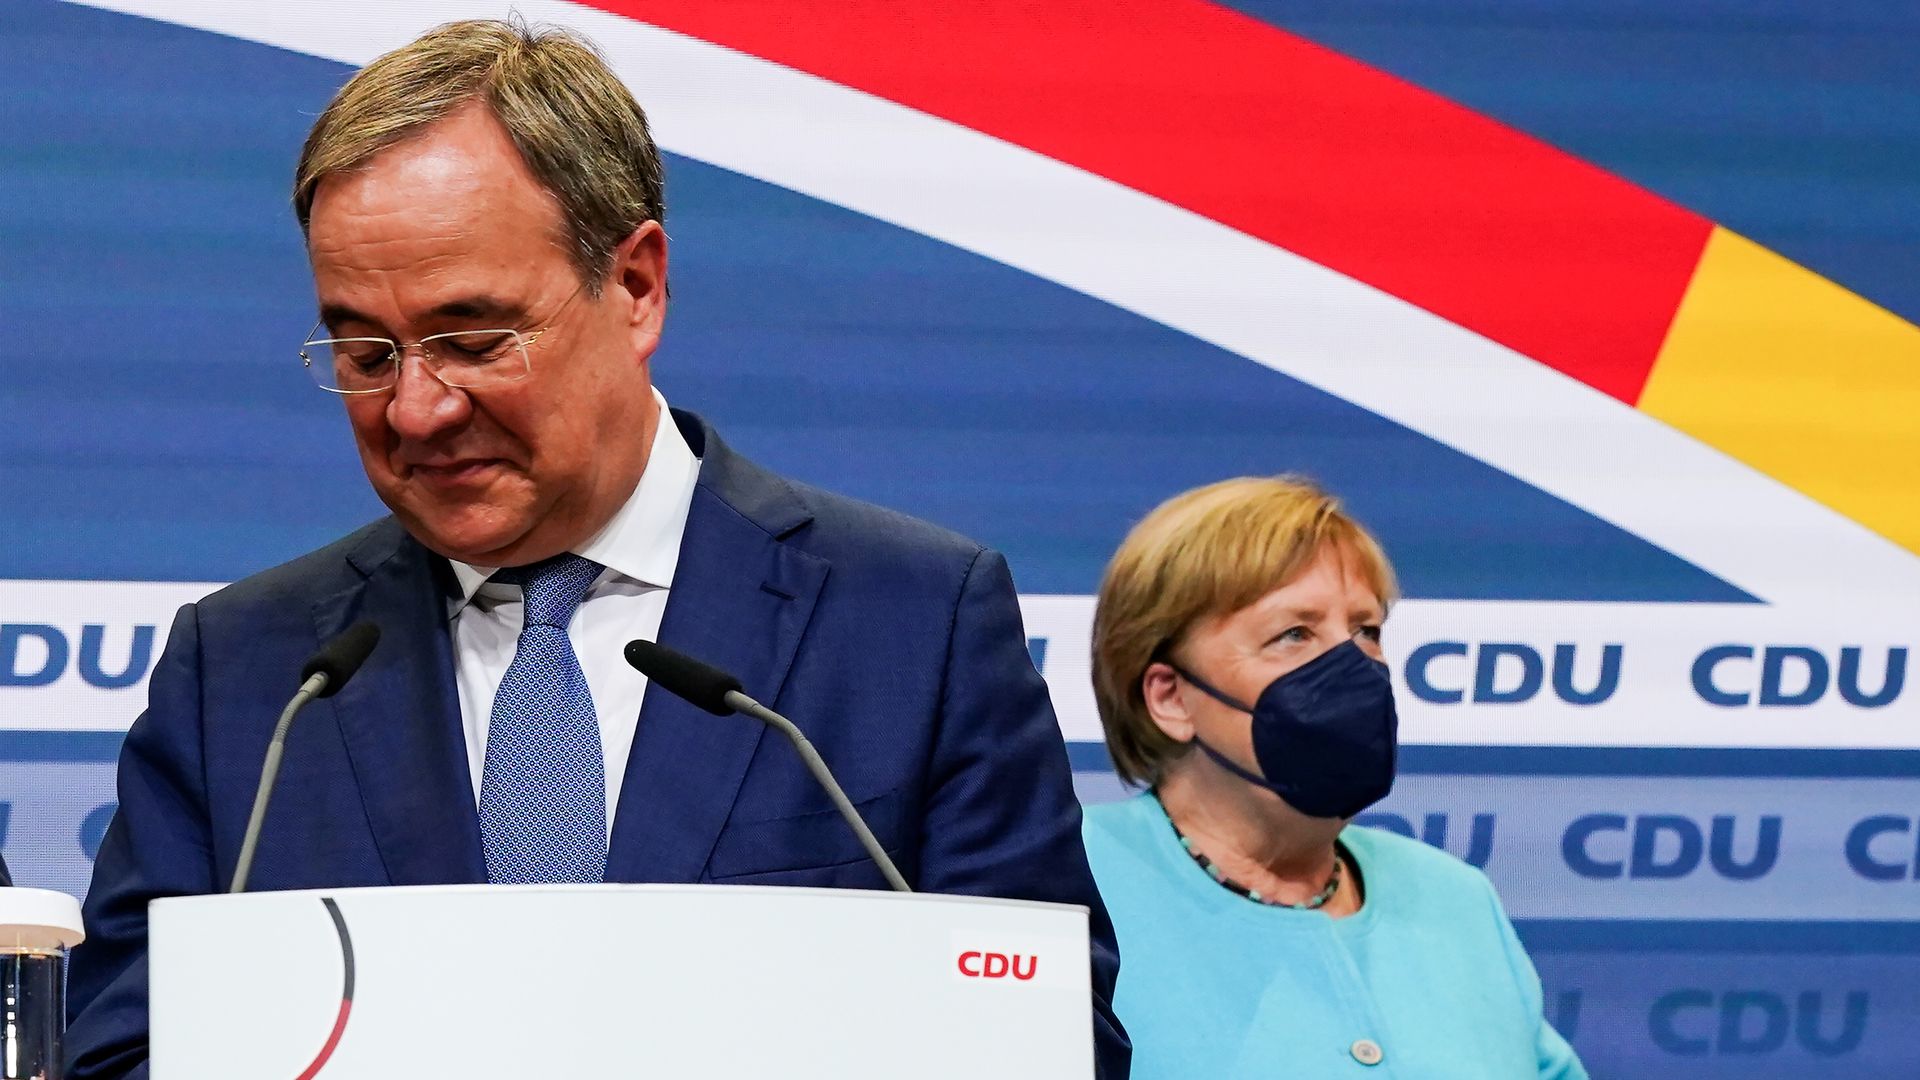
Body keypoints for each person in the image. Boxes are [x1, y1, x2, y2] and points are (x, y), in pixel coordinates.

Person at [65, 20, 1125, 1078]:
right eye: (363, 350)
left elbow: (1047, 1042)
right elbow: (125, 1052)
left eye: (474, 339)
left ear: (636, 287)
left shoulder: (912, 624)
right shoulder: (250, 674)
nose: (417, 408)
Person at [1081, 477, 1584, 1078]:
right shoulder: (1066, 882)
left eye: (1365, 631)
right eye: (1294, 634)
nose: (1352, 667)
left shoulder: (1454, 898)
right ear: (1171, 696)